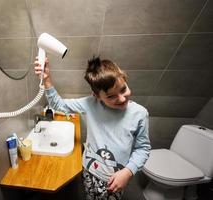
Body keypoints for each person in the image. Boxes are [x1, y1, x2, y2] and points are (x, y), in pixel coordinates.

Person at [34, 56, 151, 200]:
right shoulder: (90, 104)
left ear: (125, 80)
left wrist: (127, 172)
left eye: (123, 89)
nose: (121, 98)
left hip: (115, 178)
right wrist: (46, 79)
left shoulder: (140, 114)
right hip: (88, 171)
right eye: (111, 96)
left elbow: (143, 149)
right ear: (97, 96)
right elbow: (59, 105)